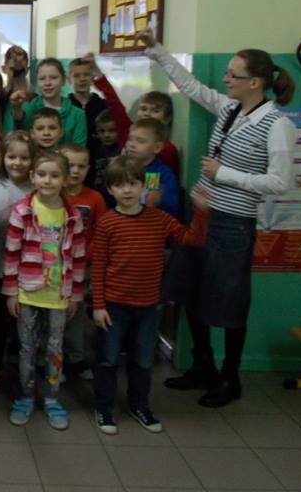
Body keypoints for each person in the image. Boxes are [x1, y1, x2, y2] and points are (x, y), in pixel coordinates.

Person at [138, 30, 297, 408]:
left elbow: (280, 182)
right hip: (202, 215)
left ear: (255, 82)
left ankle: (230, 377)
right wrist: (157, 51)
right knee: (192, 291)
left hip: (233, 223)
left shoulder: (277, 124)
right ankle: (203, 366)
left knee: (229, 299)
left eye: (233, 75)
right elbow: (191, 86)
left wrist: (223, 174)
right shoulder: (230, 109)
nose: (226, 80)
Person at [91, 156, 210, 434]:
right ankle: (104, 407)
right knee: (108, 359)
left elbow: (192, 238)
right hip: (113, 305)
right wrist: (98, 305)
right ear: (110, 189)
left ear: (143, 186)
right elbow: (98, 266)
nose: (127, 190)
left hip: (147, 306)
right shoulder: (107, 222)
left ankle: (140, 405)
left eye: (133, 183)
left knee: (143, 360)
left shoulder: (159, 219)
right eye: (119, 185)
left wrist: (201, 210)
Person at [3, 151, 86, 429]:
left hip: (59, 295)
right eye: (42, 174)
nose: (47, 180)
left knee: (54, 349)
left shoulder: (72, 215)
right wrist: (11, 292)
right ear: (32, 177)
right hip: (27, 293)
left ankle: (51, 398)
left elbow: (78, 257)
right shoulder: (22, 211)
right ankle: (25, 397)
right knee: (27, 348)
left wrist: (75, 295)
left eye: (54, 175)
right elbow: (12, 253)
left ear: (65, 179)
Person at [0, 131, 34, 372]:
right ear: (2, 158)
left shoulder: (37, 188)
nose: (17, 163)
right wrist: (1, 215)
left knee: (22, 319)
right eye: (12, 157)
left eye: (24, 158)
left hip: (29, 268)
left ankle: (18, 360)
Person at [58, 142, 108, 379]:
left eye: (81, 166)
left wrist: (88, 254)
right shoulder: (52, 195)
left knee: (75, 314)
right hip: (54, 266)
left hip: (82, 267)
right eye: (70, 166)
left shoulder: (95, 198)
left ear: (88, 169)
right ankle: (50, 359)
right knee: (53, 315)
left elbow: (102, 230)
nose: (75, 171)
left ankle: (75, 358)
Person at [6, 58, 87, 145]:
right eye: (42, 79)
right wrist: (17, 110)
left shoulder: (77, 115)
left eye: (53, 78)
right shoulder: (27, 108)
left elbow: (78, 150)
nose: (47, 83)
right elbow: (16, 140)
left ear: (63, 80)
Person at [124, 118, 180, 219]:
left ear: (157, 147)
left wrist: (159, 199)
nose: (132, 145)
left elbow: (173, 208)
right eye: (130, 139)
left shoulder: (162, 173)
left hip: (152, 223)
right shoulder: (122, 168)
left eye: (140, 141)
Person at [67, 56, 108, 139]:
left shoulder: (103, 105)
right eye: (77, 76)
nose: (82, 79)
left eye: (86, 74)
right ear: (69, 79)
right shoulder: (65, 106)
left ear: (92, 78)